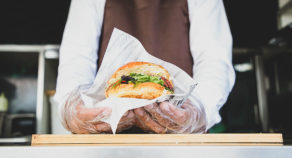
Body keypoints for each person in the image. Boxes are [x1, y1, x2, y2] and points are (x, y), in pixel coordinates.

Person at [54, 0, 235, 134]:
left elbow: (214, 60)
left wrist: (197, 111)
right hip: (106, 138)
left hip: (181, 141)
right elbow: (77, 58)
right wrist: (74, 107)